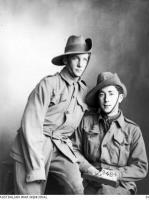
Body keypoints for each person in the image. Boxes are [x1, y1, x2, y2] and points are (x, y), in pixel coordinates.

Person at [10, 35, 92, 194]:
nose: (81, 64)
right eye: (76, 59)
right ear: (67, 60)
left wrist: (87, 166)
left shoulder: (83, 91)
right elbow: (31, 125)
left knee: (78, 191)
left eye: (85, 59)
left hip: (62, 148)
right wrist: (35, 167)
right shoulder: (48, 84)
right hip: (33, 146)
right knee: (30, 195)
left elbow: (77, 134)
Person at [72, 72, 148, 194]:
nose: (107, 99)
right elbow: (73, 149)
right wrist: (88, 168)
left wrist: (117, 174)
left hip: (120, 185)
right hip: (89, 179)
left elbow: (140, 167)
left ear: (120, 98)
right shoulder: (86, 121)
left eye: (111, 94)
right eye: (102, 94)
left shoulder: (132, 130)